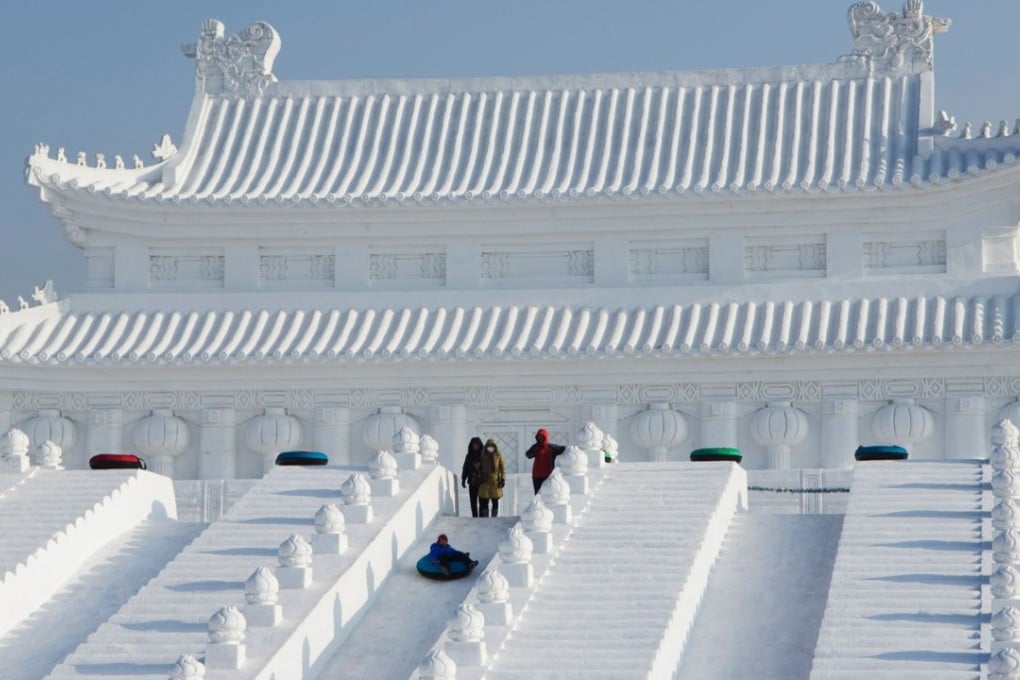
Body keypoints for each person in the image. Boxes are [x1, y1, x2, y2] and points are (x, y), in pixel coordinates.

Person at [525, 428, 565, 494]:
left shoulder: (551, 447)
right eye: (538, 437)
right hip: (537, 476)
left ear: (545, 437)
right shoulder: (536, 447)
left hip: (548, 475)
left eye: (541, 436)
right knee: (538, 495)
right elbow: (528, 454)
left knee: (548, 494)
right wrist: (536, 446)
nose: (540, 438)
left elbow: (563, 449)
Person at [477, 438, 506, 517]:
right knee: (484, 501)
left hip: (495, 482)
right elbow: (479, 467)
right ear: (486, 447)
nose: (490, 448)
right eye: (489, 446)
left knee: (495, 500)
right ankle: (486, 518)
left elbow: (502, 468)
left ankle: (494, 517)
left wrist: (503, 479)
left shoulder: (498, 455)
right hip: (484, 481)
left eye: (492, 446)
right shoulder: (483, 455)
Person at [461, 436, 484, 517]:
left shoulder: (484, 456)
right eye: (474, 444)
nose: (476, 446)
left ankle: (482, 517)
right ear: (471, 445)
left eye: (477, 444)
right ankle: (474, 516)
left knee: (482, 500)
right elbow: (465, 468)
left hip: (482, 482)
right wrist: (463, 479)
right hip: (472, 481)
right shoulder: (469, 456)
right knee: (473, 500)